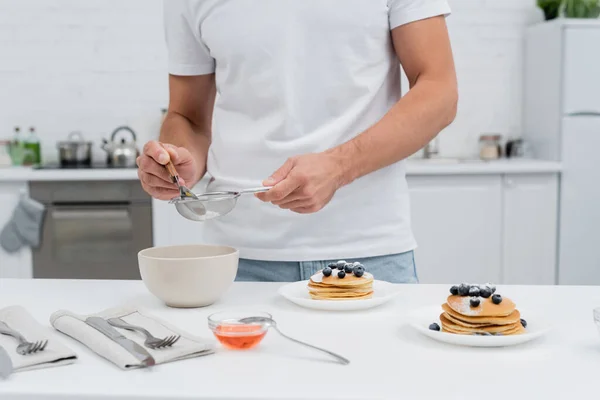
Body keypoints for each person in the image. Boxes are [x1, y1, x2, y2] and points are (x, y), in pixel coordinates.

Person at [138, 0, 458, 283]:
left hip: (371, 254)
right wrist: (178, 162)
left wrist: (339, 166)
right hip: (238, 263)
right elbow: (187, 118)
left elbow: (439, 91)